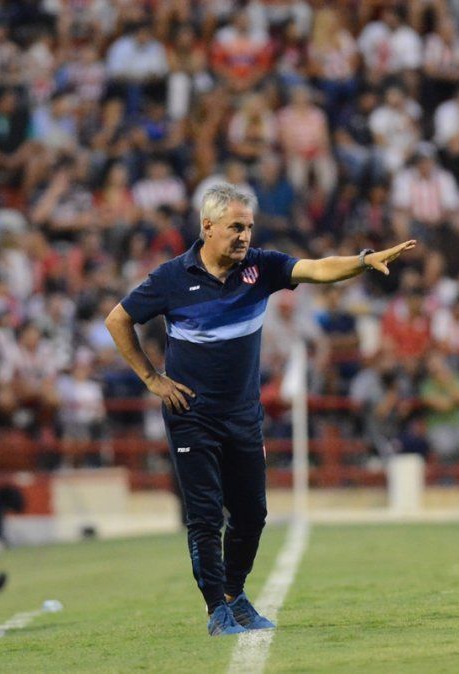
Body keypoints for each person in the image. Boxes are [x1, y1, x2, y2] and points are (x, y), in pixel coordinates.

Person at [105, 183, 416, 636]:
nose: (245, 236)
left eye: (249, 227)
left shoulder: (261, 267)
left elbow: (317, 269)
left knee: (252, 515)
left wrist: (364, 260)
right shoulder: (171, 278)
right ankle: (216, 611)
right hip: (192, 415)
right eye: (236, 227)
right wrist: (153, 379)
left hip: (243, 414)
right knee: (205, 517)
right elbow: (118, 319)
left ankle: (235, 595)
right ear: (207, 227)